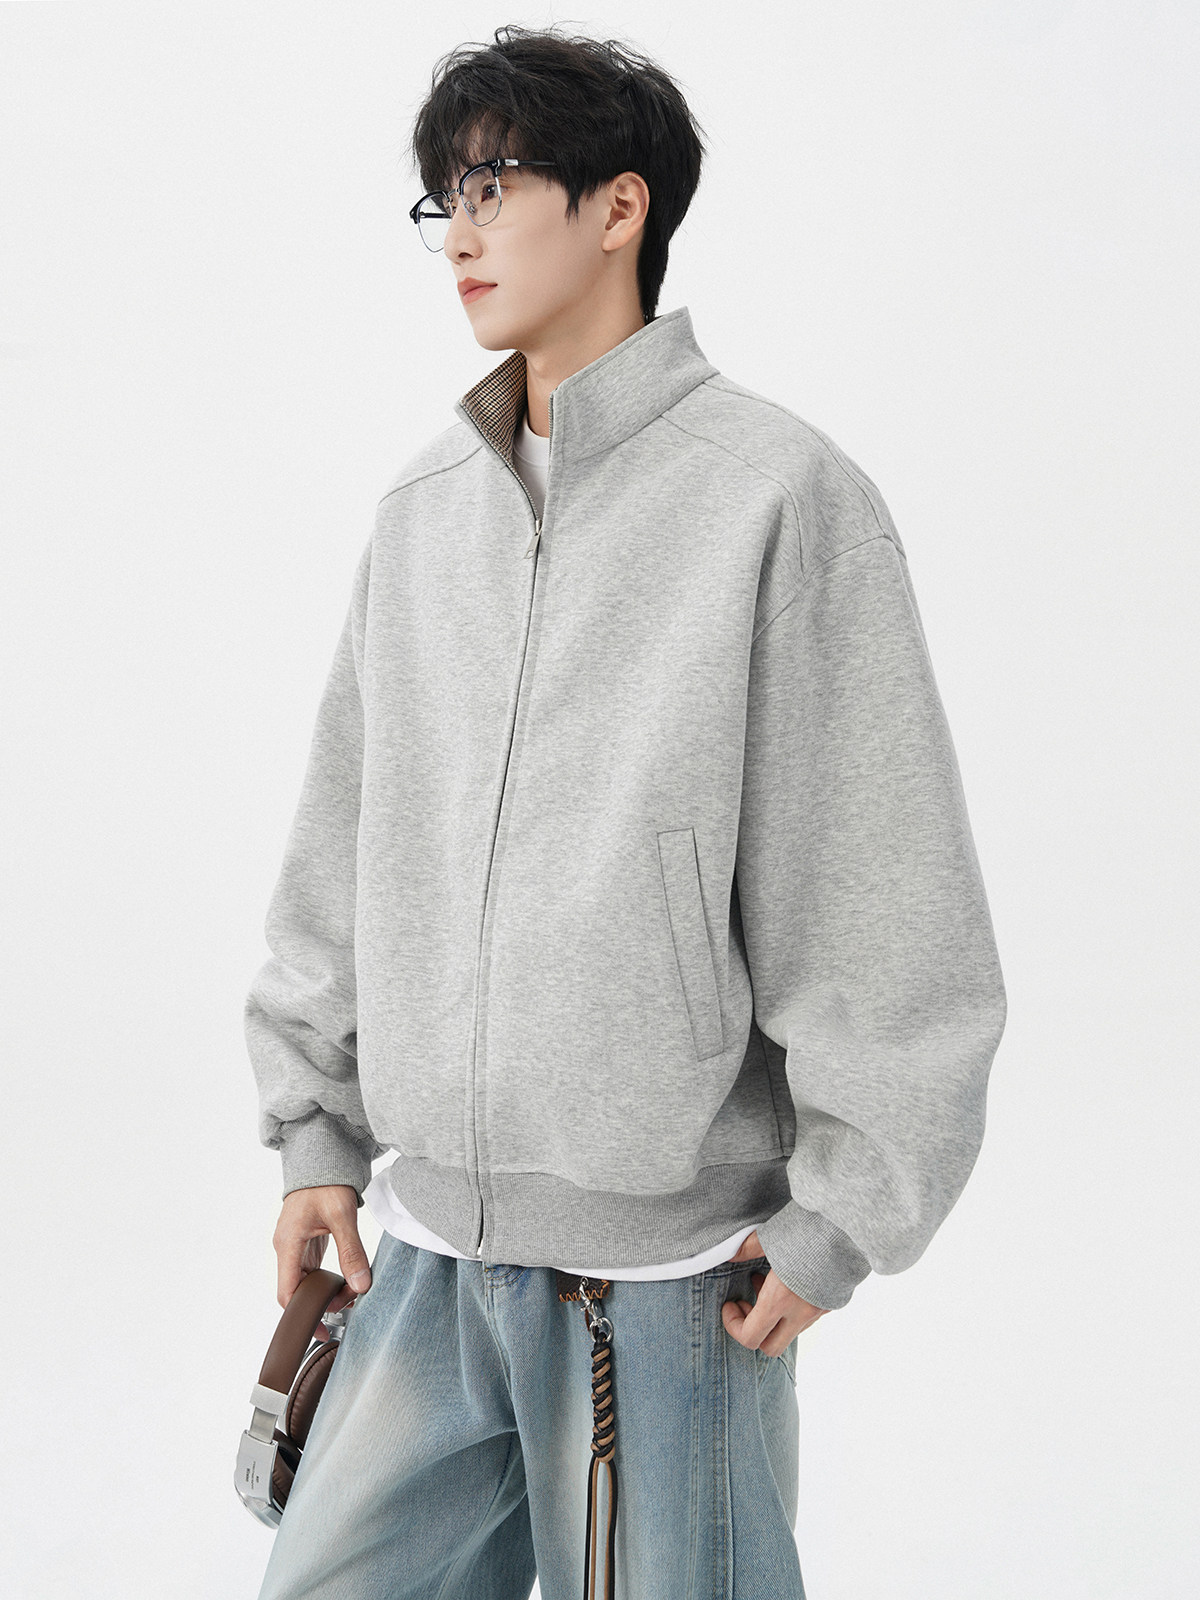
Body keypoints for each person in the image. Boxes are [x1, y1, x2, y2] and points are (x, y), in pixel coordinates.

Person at [244, 23, 1007, 1600]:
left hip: (671, 1285)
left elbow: (879, 886)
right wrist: (316, 1130)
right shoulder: (422, 514)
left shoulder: (779, 498)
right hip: (429, 1260)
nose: (459, 235)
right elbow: (345, 841)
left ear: (619, 207)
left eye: (494, 187)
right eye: (443, 201)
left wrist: (843, 1216)